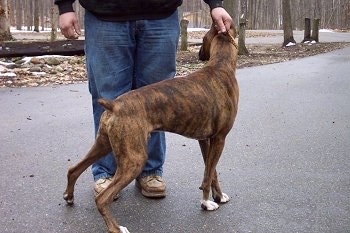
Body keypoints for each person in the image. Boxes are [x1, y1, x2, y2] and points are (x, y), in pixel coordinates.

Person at [54, 0, 232, 199]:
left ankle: (150, 171)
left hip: (161, 16)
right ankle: (107, 173)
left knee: (161, 102)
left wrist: (215, 3)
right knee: (109, 101)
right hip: (105, 15)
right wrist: (65, 6)